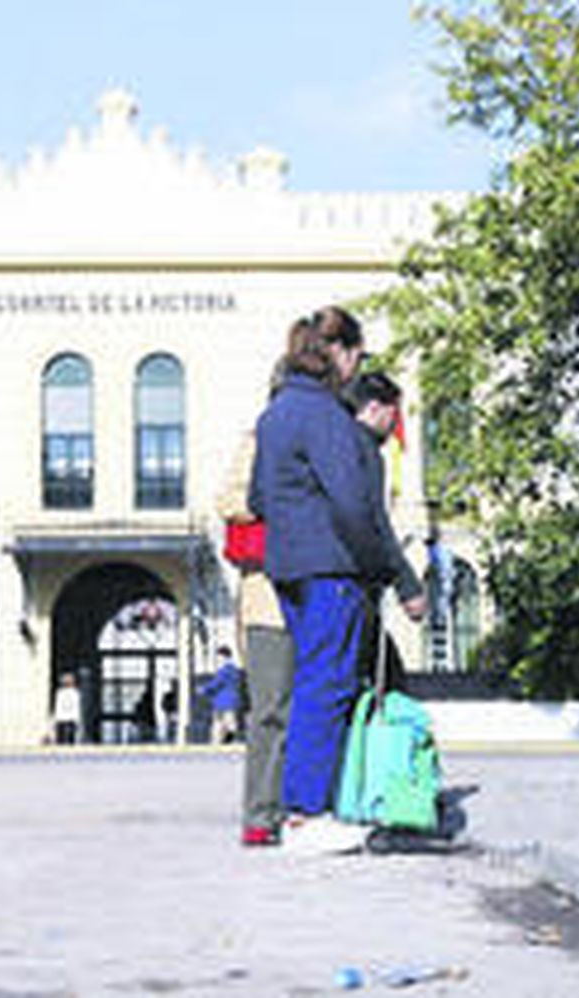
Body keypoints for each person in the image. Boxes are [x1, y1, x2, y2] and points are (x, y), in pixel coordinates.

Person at [249, 305, 383, 855]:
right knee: (327, 686)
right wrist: (374, 561)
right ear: (341, 354)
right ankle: (307, 813)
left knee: (309, 683)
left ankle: (300, 809)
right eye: (357, 355)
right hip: (331, 565)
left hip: (288, 565)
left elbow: (258, 499)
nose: (357, 367)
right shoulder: (327, 415)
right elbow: (352, 501)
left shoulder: (275, 414)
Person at [217, 415, 296, 847]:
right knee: (270, 710)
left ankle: (308, 806)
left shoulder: (332, 433)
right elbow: (228, 500)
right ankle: (262, 814)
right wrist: (280, 501)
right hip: (268, 597)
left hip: (321, 586)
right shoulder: (257, 440)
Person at [343, 371, 427, 632]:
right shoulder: (364, 449)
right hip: (354, 581)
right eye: (393, 415)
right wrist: (407, 585)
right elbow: (375, 520)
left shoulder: (336, 442)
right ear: (374, 408)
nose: (394, 426)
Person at [200, 647, 246, 744]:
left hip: (223, 701)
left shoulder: (225, 670)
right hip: (232, 700)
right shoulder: (234, 670)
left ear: (224, 657)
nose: (217, 659)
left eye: (219, 657)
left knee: (221, 722)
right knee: (228, 721)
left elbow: (216, 683)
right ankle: (228, 739)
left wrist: (203, 689)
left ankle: (219, 741)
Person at [51, 672, 81, 746]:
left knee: (71, 740)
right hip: (61, 719)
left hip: (71, 719)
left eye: (69, 681)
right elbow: (58, 707)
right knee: (60, 741)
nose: (67, 683)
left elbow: (76, 707)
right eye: (66, 681)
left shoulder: (75, 693)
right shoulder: (60, 693)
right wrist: (56, 719)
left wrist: (76, 720)